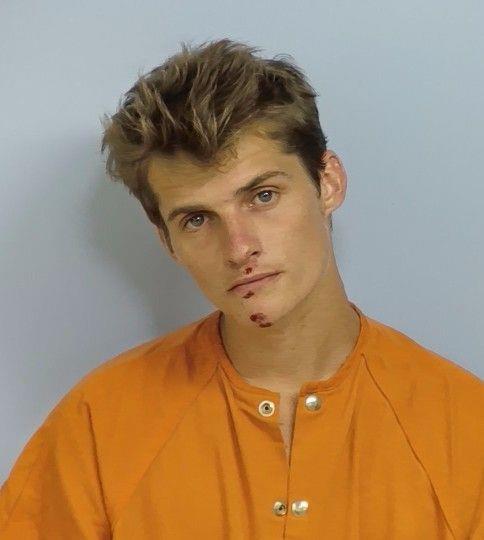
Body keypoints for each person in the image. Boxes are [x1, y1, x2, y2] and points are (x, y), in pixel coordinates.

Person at [1, 38, 482, 539]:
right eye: (196, 219)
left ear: (329, 182)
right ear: (166, 240)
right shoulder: (99, 425)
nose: (238, 247)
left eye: (263, 196)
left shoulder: (466, 429)